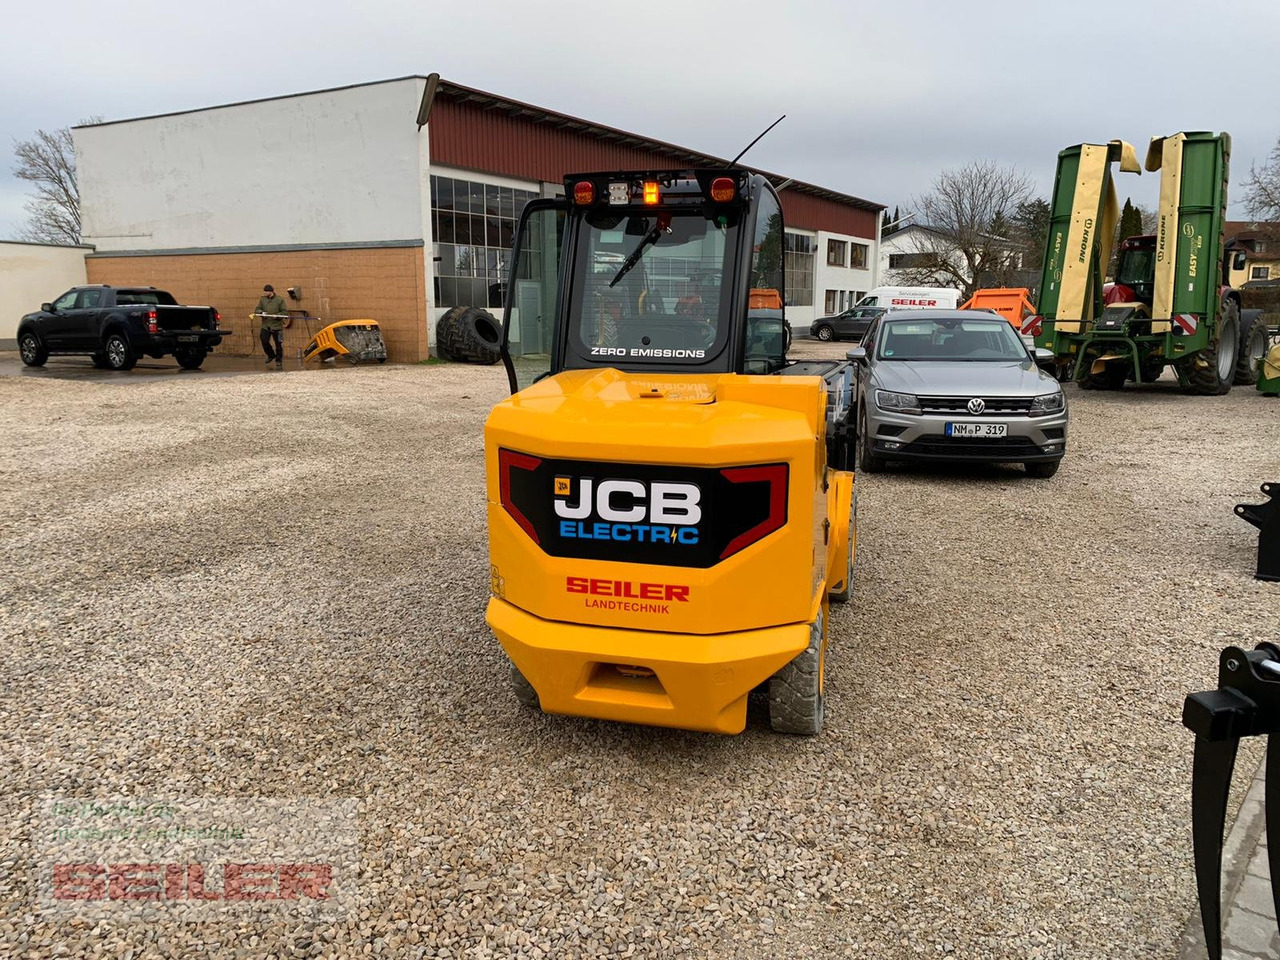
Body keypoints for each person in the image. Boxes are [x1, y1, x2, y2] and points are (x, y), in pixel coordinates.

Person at [255, 285, 287, 367]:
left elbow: (285, 312)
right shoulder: (262, 300)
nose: (265, 293)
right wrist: (261, 312)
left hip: (277, 326)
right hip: (266, 325)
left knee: (278, 344)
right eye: (264, 291)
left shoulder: (280, 300)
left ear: (271, 291)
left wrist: (277, 315)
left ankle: (278, 360)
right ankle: (271, 355)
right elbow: (257, 309)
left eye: (266, 291)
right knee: (264, 341)